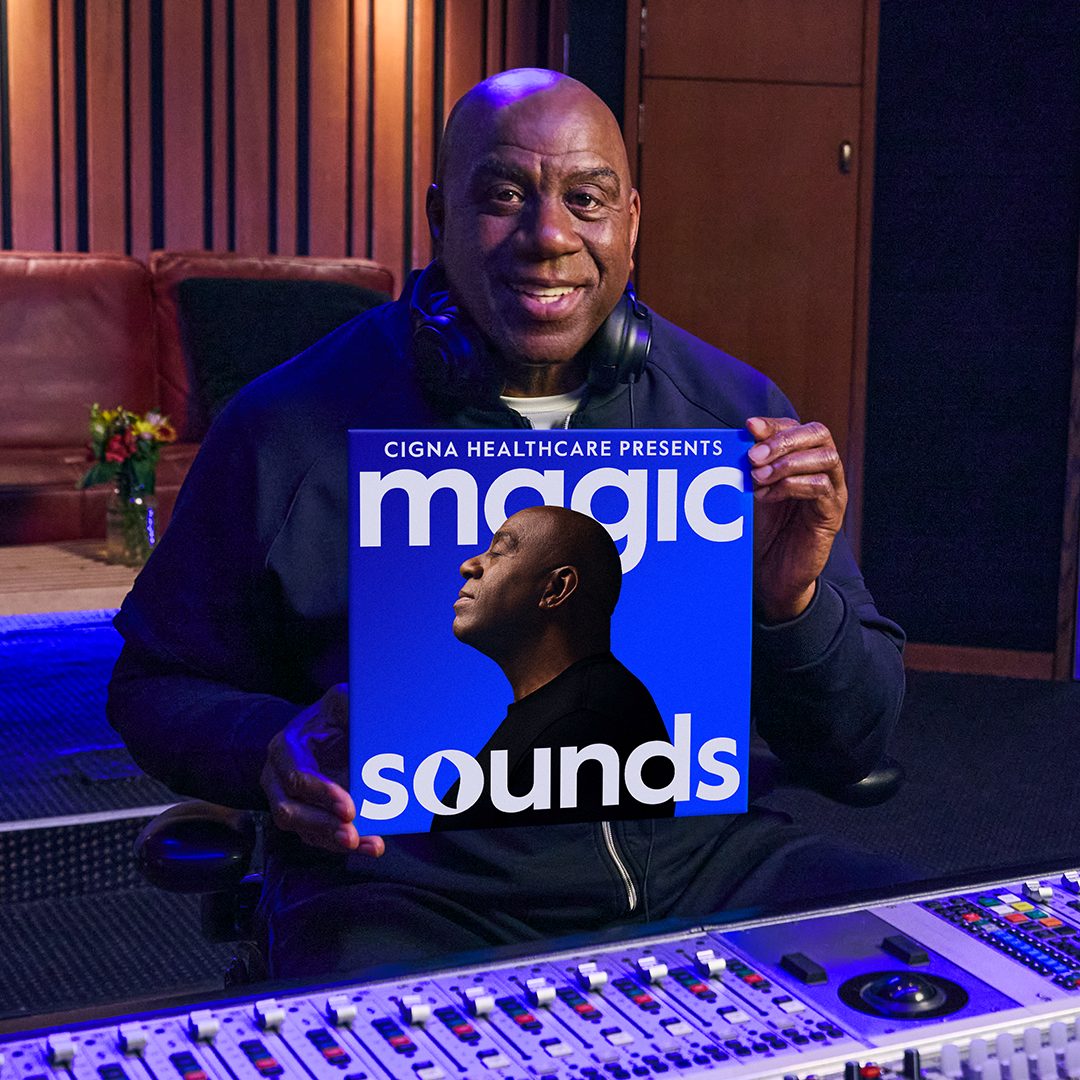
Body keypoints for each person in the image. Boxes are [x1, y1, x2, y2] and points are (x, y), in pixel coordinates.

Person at [108, 68, 906, 978]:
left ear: (631, 222)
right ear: (439, 216)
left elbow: (857, 744)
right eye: (504, 197)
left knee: (934, 979)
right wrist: (266, 750)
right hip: (407, 888)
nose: (550, 236)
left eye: (586, 199)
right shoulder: (286, 426)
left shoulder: (733, 416)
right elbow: (153, 685)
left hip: (703, 865)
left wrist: (791, 601)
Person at [438, 504, 674, 830]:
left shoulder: (586, 725)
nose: (469, 566)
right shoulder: (579, 708)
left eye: (498, 552)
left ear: (556, 589)